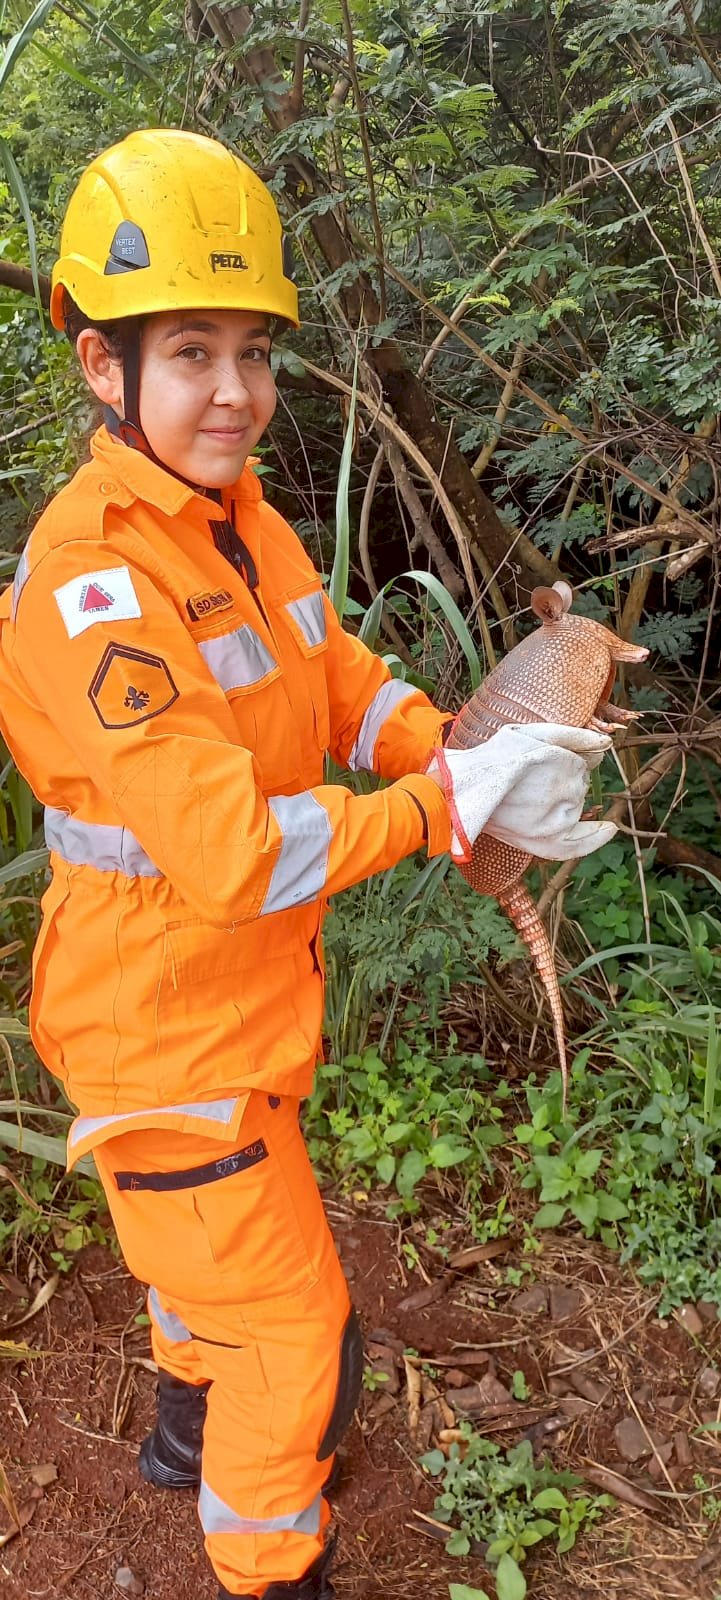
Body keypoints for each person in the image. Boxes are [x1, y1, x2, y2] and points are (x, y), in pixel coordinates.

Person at [0, 128, 615, 1599]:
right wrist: (444, 804)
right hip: (163, 1028)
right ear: (104, 367)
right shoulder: (97, 584)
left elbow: (333, 676)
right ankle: (265, 1563)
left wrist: (449, 749)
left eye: (252, 352)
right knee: (297, 1326)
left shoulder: (240, 521)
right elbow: (222, 846)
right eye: (190, 352)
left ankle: (179, 1427)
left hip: (228, 1005)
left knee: (202, 1262)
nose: (232, 390)